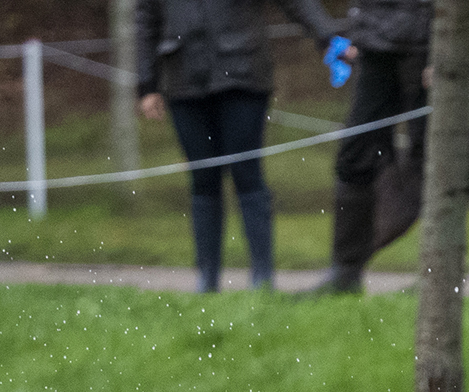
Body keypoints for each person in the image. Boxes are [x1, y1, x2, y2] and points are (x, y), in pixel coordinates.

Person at [137, 0, 339, 293]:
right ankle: (206, 280)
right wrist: (146, 83)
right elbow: (145, 19)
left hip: (243, 73)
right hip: (183, 79)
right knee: (203, 180)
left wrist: (325, 35)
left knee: (248, 175)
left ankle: (262, 278)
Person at [307, 0, 433, 297]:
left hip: (425, 46)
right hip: (374, 45)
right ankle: (345, 273)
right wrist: (330, 34)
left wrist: (443, 50)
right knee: (355, 154)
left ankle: (439, 274)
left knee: (432, 156)